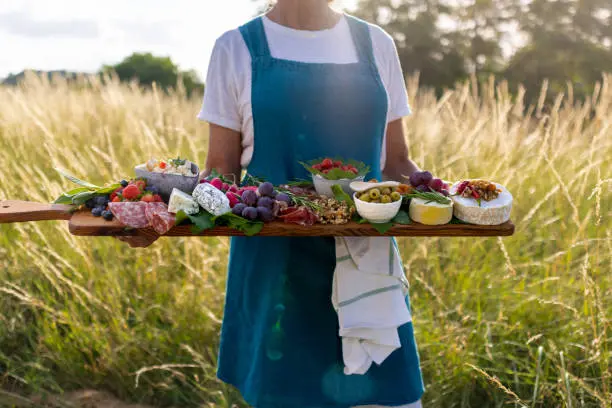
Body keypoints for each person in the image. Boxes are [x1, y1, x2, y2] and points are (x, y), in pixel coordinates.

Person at [120, 0, 426, 406]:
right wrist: (159, 217)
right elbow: (221, 175)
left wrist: (453, 199)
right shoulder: (236, 48)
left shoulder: (376, 44)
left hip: (367, 262)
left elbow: (398, 163)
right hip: (275, 272)